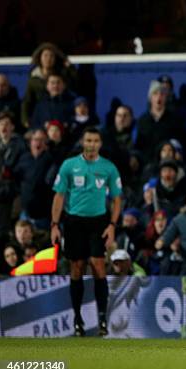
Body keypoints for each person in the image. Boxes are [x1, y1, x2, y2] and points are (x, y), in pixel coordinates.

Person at [51, 127, 123, 337]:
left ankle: (102, 318)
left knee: (98, 264)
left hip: (98, 222)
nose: (92, 144)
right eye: (89, 140)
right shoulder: (69, 165)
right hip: (74, 221)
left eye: (96, 141)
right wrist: (54, 225)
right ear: (83, 142)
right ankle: (77, 319)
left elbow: (117, 199)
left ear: (100, 144)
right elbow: (59, 196)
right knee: (77, 267)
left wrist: (112, 225)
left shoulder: (108, 168)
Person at [135, 80, 186, 164]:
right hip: (148, 166)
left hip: (170, 165)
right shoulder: (142, 121)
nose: (159, 97)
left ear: (166, 97)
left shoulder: (175, 119)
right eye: (155, 94)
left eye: (162, 94)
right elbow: (138, 147)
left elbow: (185, 143)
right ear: (150, 98)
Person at [0, 111, 26, 238]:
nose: (3, 127)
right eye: (0, 124)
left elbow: (22, 169)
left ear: (12, 127)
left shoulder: (20, 145)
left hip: (12, 193)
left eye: (6, 124)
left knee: (7, 229)